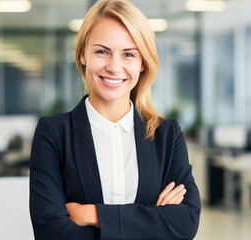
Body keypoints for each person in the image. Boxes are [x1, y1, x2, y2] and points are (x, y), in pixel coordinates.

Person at [29, 0, 201, 239]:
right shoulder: (54, 134)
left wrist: (93, 215)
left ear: (142, 63)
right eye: (102, 51)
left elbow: (186, 222)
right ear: (82, 55)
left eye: (128, 54)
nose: (114, 66)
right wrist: (152, 220)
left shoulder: (166, 135)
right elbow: (51, 231)